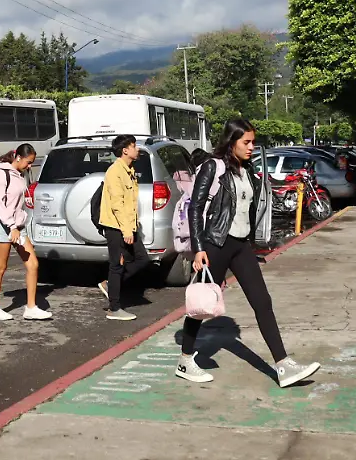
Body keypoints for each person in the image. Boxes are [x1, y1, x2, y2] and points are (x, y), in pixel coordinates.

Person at [178, 119, 320, 388]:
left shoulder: (247, 169)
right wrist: (198, 249)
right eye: (247, 142)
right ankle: (185, 359)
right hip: (216, 244)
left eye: (253, 142)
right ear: (231, 142)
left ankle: (283, 365)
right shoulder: (213, 167)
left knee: (262, 301)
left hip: (241, 246)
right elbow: (195, 208)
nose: (252, 147)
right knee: (201, 306)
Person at [0, 144, 52, 321]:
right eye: (28, 162)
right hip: (2, 226)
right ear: (18, 158)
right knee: (0, 267)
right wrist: (11, 227)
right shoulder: (2, 174)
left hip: (17, 226)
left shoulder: (20, 175)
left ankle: (31, 307)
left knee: (33, 264)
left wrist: (19, 223)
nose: (30, 166)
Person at [96, 134, 145, 321]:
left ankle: (110, 285)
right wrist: (126, 231)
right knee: (116, 265)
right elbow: (117, 204)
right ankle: (114, 308)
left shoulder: (129, 170)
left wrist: (133, 226)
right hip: (116, 226)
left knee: (142, 259)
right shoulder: (115, 171)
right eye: (134, 146)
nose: (137, 149)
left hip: (128, 224)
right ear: (125, 150)